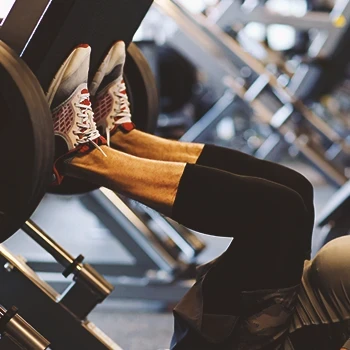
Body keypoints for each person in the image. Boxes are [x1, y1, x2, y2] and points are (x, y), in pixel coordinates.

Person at [46, 42, 350, 350]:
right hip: (300, 308)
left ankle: (78, 156)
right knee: (295, 186)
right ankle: (126, 141)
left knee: (276, 211)